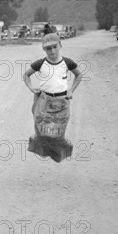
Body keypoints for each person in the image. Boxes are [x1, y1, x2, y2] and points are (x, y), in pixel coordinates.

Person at [23, 33, 83, 162]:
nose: (52, 51)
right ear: (44, 49)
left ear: (60, 45)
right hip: (44, 101)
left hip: (62, 102)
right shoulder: (40, 63)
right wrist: (31, 88)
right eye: (48, 48)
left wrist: (71, 90)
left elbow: (78, 75)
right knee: (42, 130)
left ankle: (58, 154)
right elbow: (26, 75)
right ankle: (43, 151)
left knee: (58, 132)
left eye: (55, 47)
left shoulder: (67, 62)